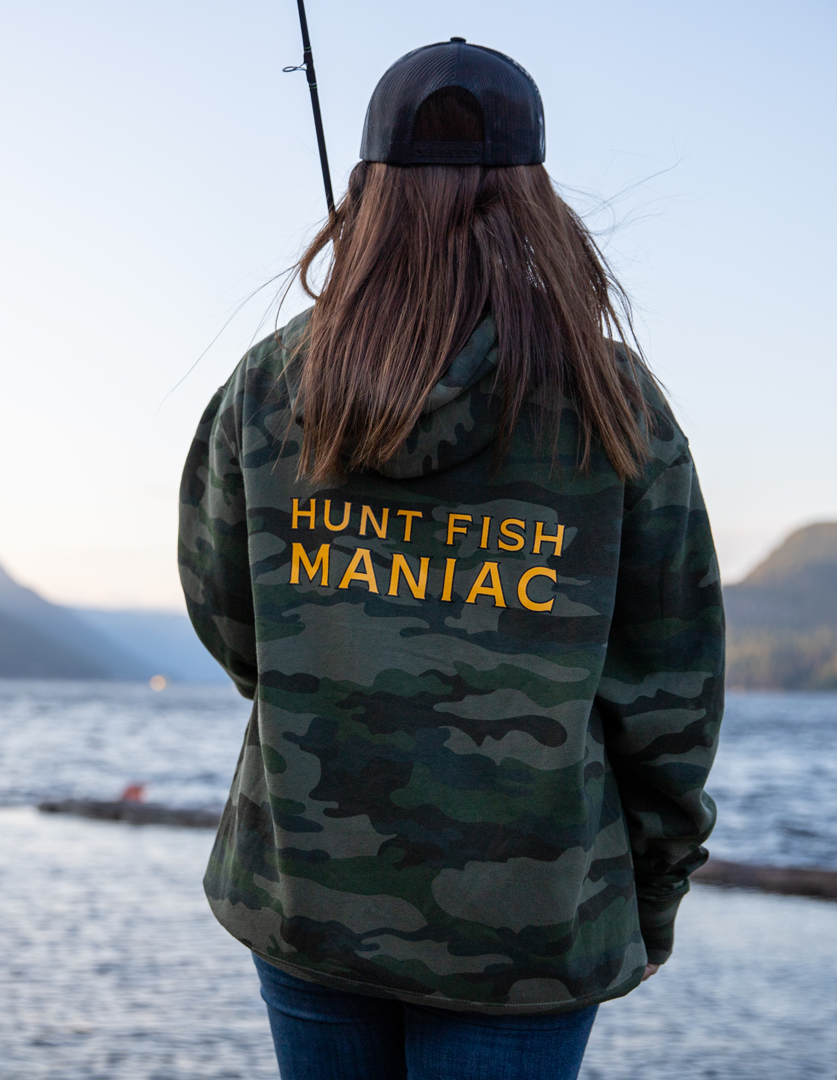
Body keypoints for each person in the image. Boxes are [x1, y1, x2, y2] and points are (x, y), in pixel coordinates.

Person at [178, 38, 723, 1080]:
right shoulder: (617, 407)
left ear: (370, 196)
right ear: (536, 198)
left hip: (311, 899)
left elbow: (228, 612)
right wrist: (651, 896)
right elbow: (672, 691)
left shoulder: (270, 382)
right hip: (532, 928)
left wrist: (337, 684)